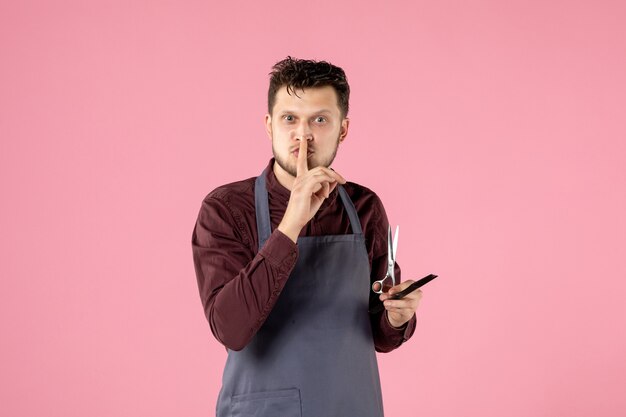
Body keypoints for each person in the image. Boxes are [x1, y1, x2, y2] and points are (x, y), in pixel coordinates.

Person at [192, 56, 424, 417]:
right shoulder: (226, 209)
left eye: (320, 119)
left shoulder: (364, 207)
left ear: (342, 129)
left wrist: (397, 317)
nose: (303, 134)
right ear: (269, 126)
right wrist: (291, 225)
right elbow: (230, 329)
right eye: (290, 119)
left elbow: (379, 331)